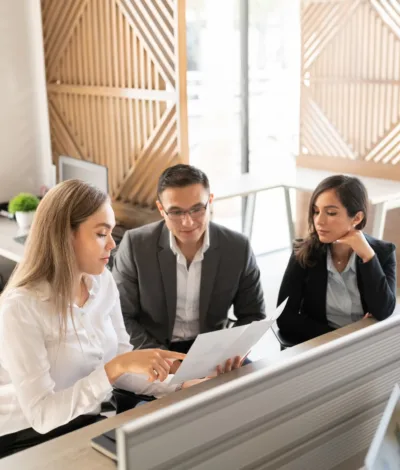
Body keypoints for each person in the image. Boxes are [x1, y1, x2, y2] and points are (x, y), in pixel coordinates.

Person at [0, 179, 207, 458]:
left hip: (87, 420)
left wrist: (180, 385)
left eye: (112, 232)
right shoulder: (21, 308)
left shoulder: (102, 282)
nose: (112, 243)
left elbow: (123, 362)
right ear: (64, 237)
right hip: (25, 438)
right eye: (101, 234)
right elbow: (42, 415)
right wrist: (114, 368)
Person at [112, 164, 266, 366]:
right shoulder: (135, 245)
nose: (187, 222)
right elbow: (121, 317)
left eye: (196, 209)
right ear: (161, 209)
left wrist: (233, 350)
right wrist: (167, 363)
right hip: (152, 350)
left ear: (210, 202)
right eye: (176, 212)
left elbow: (253, 314)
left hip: (213, 352)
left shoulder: (237, 247)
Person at [276, 175, 396, 345]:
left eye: (331, 213)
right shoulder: (303, 253)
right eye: (316, 211)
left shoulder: (383, 253)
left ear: (357, 218)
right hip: (320, 346)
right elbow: (285, 318)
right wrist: (341, 336)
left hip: (367, 346)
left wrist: (368, 256)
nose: (319, 221)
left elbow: (384, 311)